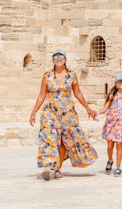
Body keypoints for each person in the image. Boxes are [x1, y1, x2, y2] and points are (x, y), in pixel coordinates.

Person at [28, 50, 98, 180]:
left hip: (67, 113)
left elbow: (78, 93)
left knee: (64, 140)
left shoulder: (71, 75)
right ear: (53, 60)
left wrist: (88, 108)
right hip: (50, 112)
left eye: (61, 57)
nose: (58, 59)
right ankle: (50, 167)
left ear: (65, 59)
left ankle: (57, 168)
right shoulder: (47, 76)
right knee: (49, 138)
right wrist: (33, 112)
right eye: (55, 57)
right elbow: (42, 95)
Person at [99, 74, 122, 176]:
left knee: (119, 145)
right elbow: (105, 108)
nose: (121, 83)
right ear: (115, 84)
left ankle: (118, 167)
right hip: (111, 123)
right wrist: (96, 112)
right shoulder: (112, 95)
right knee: (110, 145)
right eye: (119, 81)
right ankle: (110, 160)